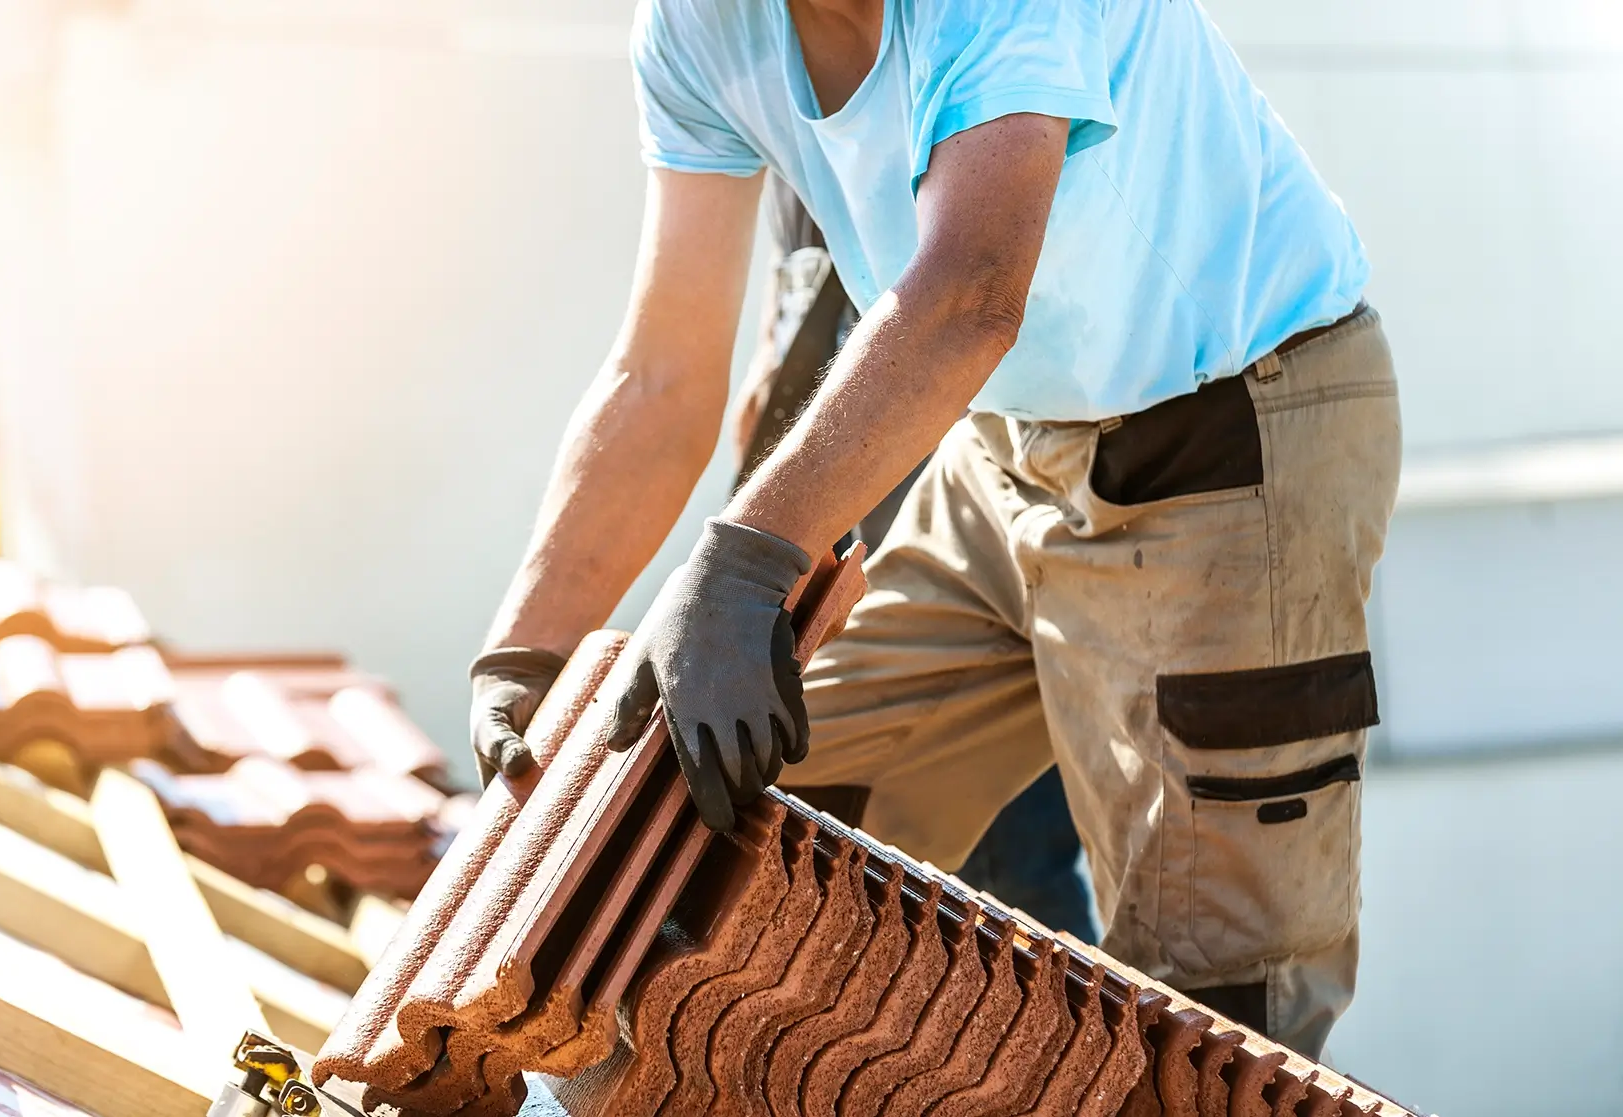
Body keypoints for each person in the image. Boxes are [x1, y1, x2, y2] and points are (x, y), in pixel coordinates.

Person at [470, 0, 1400, 1058]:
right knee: (741, 838)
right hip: (1007, 443)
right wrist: (527, 646)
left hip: (1225, 433)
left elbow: (970, 290)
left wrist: (742, 563)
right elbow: (661, 373)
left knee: (1211, 1022)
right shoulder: (698, 26)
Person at [732, 172, 1098, 943]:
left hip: (979, 589)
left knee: (1007, 917)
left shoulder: (944, 92)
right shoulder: (790, 142)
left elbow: (976, 310)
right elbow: (779, 358)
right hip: (864, 594)